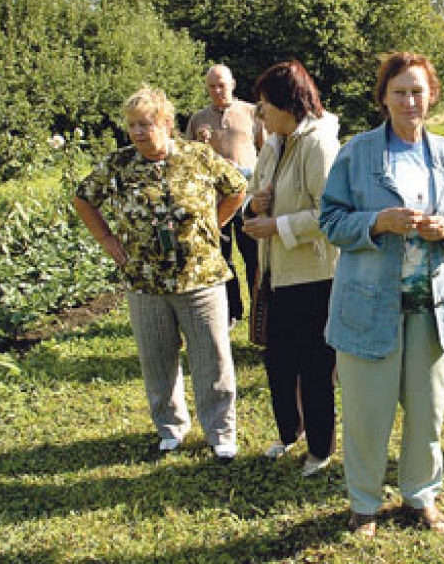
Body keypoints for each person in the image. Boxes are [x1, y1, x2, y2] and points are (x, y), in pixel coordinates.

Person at [320, 52, 444, 537]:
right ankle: (364, 504)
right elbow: (330, 219)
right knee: (368, 416)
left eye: (417, 91)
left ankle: (420, 496)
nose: (410, 101)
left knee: (427, 414)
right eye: (399, 92)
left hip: (431, 308)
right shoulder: (357, 153)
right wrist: (375, 222)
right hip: (369, 307)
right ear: (384, 98)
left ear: (431, 95)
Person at [73, 85, 246, 462]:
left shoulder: (198, 156)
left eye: (146, 124)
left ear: (166, 123)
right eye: (132, 125)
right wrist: (107, 240)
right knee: (157, 358)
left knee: (212, 357)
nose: (137, 132)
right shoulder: (118, 165)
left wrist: (212, 226)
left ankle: (220, 432)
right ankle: (170, 427)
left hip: (200, 278)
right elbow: (83, 198)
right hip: (145, 281)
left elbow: (237, 188)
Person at [241, 60, 340, 477]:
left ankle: (321, 449)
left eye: (265, 104)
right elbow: (251, 192)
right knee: (278, 361)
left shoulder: (319, 145)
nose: (259, 113)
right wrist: (253, 204)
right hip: (274, 273)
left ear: (288, 104)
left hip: (314, 277)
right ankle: (289, 433)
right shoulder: (273, 141)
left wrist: (277, 226)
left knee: (315, 366)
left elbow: (332, 214)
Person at [186, 64, 265, 327]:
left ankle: (259, 312)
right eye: (212, 86)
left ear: (232, 84)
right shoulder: (198, 120)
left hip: (248, 197)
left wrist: (243, 171)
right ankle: (232, 311)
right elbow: (189, 159)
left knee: (254, 256)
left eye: (221, 84)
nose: (217, 90)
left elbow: (266, 155)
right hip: (215, 200)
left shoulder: (252, 112)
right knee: (222, 257)